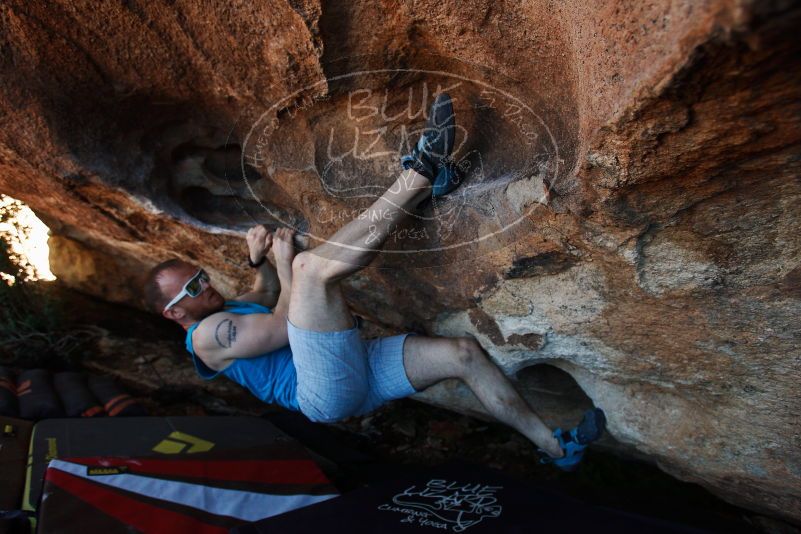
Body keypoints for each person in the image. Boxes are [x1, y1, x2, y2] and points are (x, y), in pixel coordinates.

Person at [143, 93, 605, 470]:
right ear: (175, 313)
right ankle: (421, 171)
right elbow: (282, 323)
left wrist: (257, 259)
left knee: (462, 354)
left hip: (353, 374)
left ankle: (555, 447)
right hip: (320, 391)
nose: (204, 285)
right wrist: (285, 264)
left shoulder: (224, 314)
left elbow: (262, 296)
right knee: (309, 272)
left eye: (199, 275)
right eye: (192, 289)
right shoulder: (206, 337)